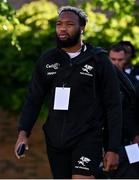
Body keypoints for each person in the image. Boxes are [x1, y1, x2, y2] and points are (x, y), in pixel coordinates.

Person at [14, 6, 123, 179]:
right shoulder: (47, 60)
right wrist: (23, 134)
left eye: (69, 24)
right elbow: (33, 99)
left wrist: (112, 148)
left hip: (87, 137)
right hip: (55, 139)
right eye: (59, 24)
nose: (62, 28)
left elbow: (114, 105)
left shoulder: (99, 60)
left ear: (82, 28)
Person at [108, 43, 139, 178]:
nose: (116, 63)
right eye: (113, 59)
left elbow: (132, 112)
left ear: (125, 60)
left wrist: (135, 134)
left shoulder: (133, 83)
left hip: (127, 138)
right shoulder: (96, 80)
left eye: (120, 60)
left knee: (130, 172)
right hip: (101, 136)